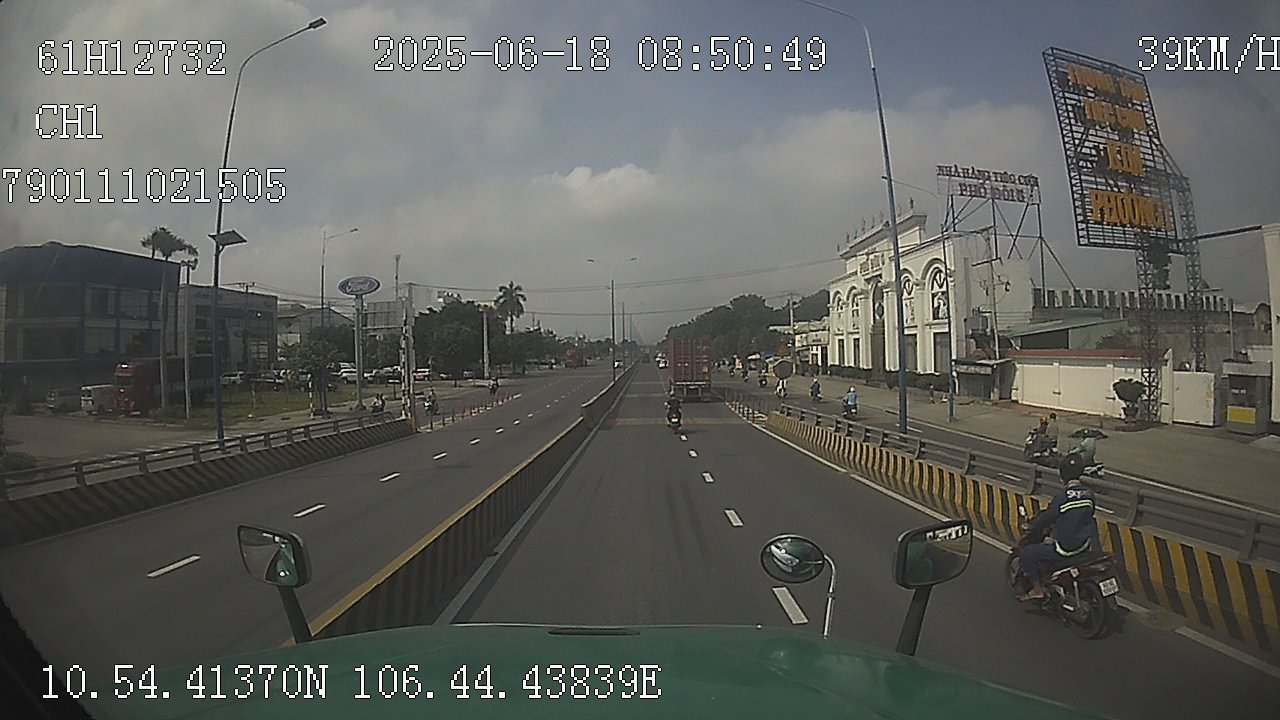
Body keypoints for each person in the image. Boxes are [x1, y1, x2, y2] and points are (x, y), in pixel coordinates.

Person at [1018, 452, 1097, 601]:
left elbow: (1048, 518)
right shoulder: (1089, 494)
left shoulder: (1062, 498)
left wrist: (1031, 525)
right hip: (1084, 545)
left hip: (1066, 548)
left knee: (1028, 553)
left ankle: (1037, 590)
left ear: (1062, 475)